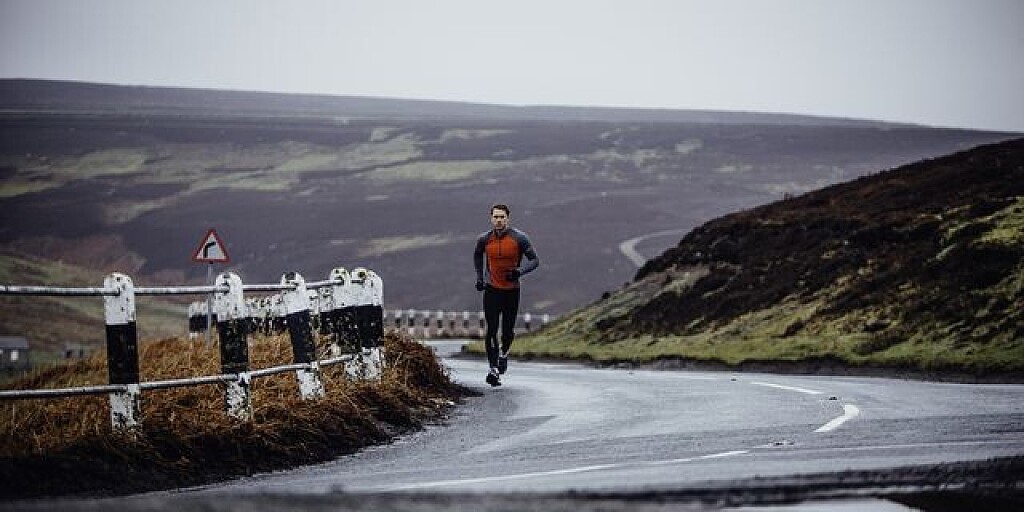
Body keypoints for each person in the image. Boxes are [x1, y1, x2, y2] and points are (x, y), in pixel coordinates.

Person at [473, 203, 540, 387]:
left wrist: (519, 272)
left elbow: (535, 260)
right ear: (491, 218)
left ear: (507, 218)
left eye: (502, 217)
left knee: (508, 331)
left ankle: (503, 355)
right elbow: (477, 255)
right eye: (496, 217)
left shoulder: (519, 238)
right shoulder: (484, 239)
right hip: (492, 289)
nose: (499, 220)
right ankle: (493, 369)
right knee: (492, 329)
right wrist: (480, 278)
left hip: (512, 291)